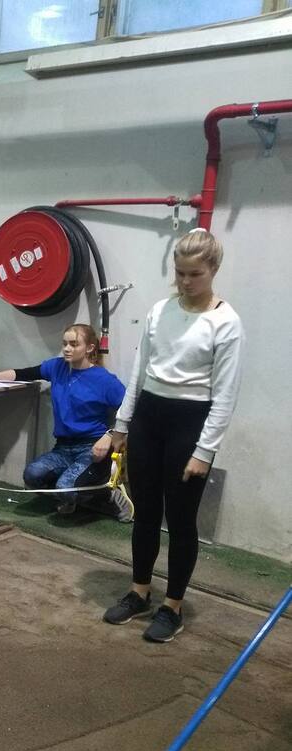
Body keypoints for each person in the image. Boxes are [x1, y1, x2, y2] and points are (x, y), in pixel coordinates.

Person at [103, 229, 243, 643]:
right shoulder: (159, 311)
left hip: (190, 423)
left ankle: (173, 606)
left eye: (195, 274)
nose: (185, 281)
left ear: (213, 269)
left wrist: (204, 451)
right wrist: (122, 424)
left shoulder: (226, 323)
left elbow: (226, 395)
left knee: (181, 520)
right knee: (145, 512)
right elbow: (139, 372)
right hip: (149, 416)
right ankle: (139, 592)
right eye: (180, 273)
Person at [0, 323, 130, 520]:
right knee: (32, 475)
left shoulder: (104, 380)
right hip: (63, 447)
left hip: (92, 450)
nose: (67, 349)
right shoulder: (57, 367)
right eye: (64, 344)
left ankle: (108, 496)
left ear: (90, 348)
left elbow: (130, 411)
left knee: (65, 487)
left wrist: (109, 436)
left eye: (74, 344)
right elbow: (25, 373)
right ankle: (71, 496)